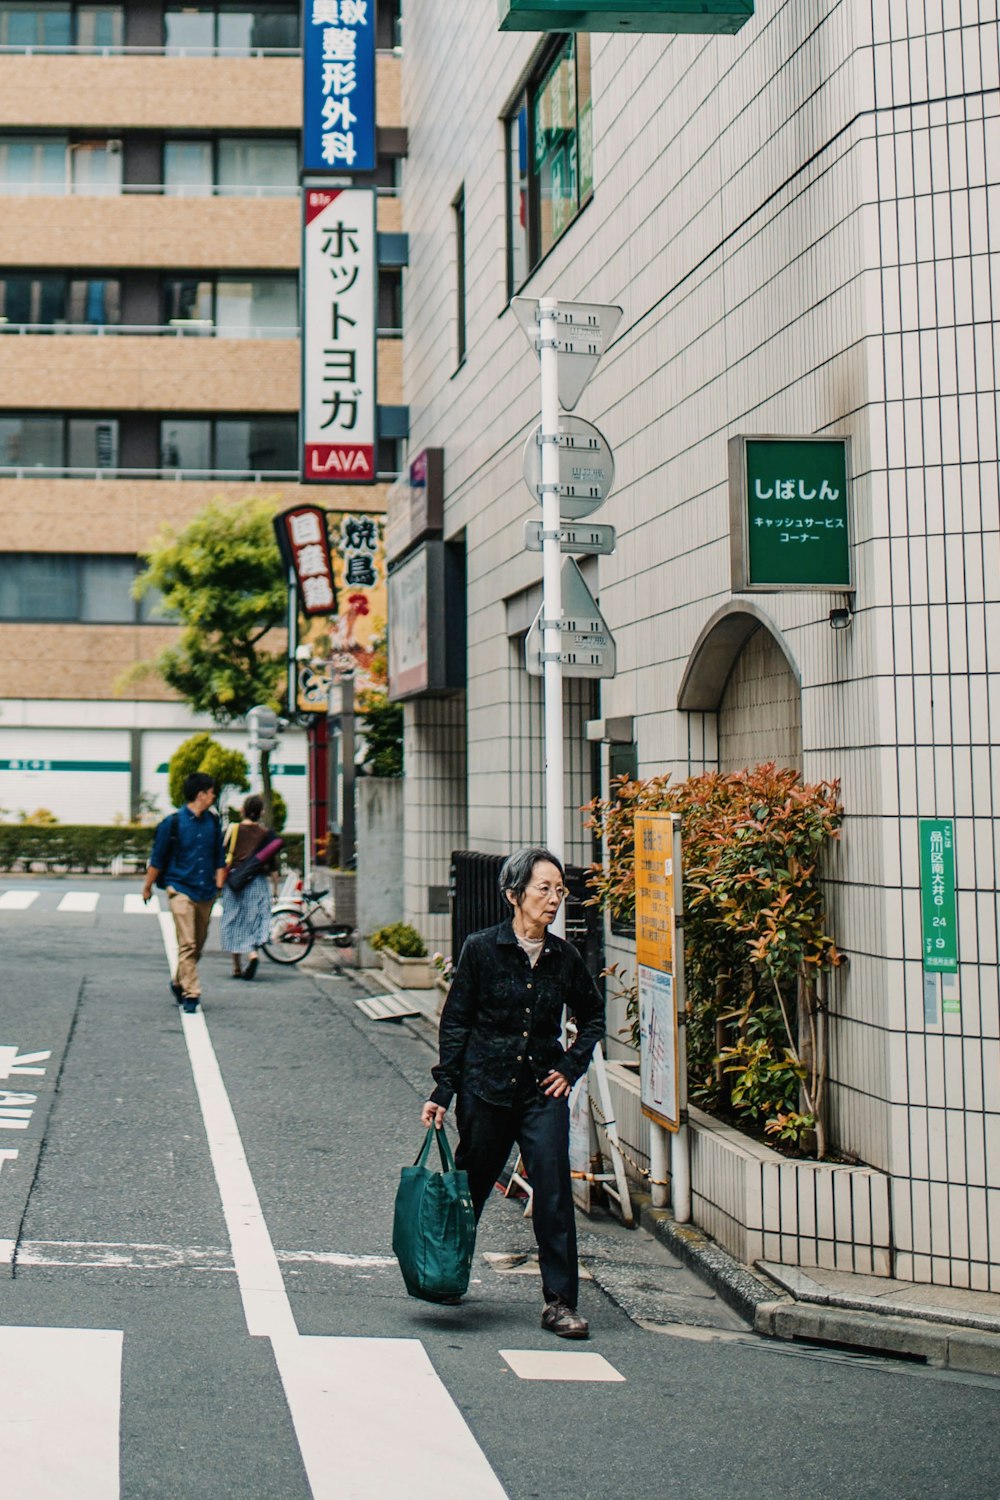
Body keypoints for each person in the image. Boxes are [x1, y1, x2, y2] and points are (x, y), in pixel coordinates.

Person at [421, 846, 605, 1340]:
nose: (554, 899)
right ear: (514, 894)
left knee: (553, 1193)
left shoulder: (564, 958)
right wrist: (444, 1089)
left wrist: (570, 1065)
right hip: (485, 1090)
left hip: (541, 1095)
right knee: (470, 1187)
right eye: (543, 889)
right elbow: (456, 1020)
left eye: (559, 890)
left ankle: (561, 1303)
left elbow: (592, 1017)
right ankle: (444, 1274)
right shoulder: (481, 949)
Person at [142, 771, 226, 1014]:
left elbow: (218, 856)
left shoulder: (213, 822)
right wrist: (148, 886)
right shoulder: (173, 822)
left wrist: (220, 884)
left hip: (206, 891)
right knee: (187, 942)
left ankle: (179, 980)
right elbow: (157, 858)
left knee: (197, 944)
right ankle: (192, 993)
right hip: (180, 887)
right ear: (201, 794)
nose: (213, 797)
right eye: (211, 793)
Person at [220, 793, 277, 981]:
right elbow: (273, 866)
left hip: (235, 880)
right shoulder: (265, 834)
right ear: (261, 813)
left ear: (243, 810)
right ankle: (252, 953)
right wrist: (275, 890)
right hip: (258, 882)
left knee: (233, 919)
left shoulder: (233, 829)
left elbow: (222, 855)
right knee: (253, 919)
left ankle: (236, 967)